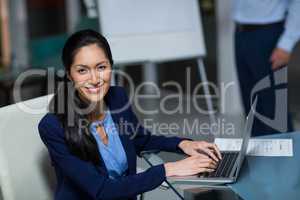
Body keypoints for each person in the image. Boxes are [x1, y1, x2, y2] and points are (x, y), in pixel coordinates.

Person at [38, 29, 222, 200]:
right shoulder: (52, 127)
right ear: (70, 76)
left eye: (101, 67)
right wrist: (168, 169)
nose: (94, 80)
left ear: (111, 67)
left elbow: (139, 139)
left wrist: (184, 144)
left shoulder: (117, 97)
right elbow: (102, 190)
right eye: (82, 70)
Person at [233, 0, 300, 136]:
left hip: (267, 34)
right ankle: (258, 155)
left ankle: (286, 156)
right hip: (241, 32)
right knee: (252, 106)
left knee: (275, 112)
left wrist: (286, 43)